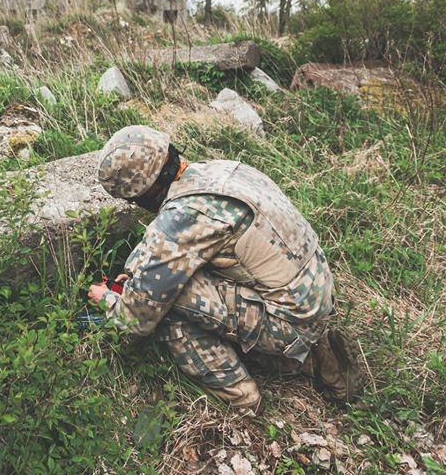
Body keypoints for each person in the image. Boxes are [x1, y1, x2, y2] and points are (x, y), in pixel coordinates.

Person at [88, 125, 362, 413]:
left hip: (290, 318)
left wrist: (107, 298)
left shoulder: (183, 216)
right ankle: (314, 360)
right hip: (313, 297)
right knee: (164, 281)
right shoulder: (220, 170)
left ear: (146, 192)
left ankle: (238, 394)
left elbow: (135, 318)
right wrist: (139, 277)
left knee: (166, 301)